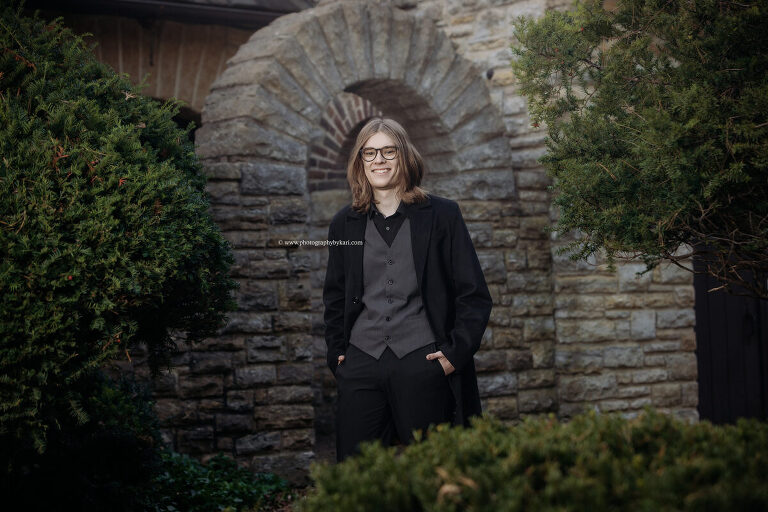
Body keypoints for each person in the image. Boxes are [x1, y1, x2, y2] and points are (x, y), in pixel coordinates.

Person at [323, 117, 492, 462]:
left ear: (405, 157)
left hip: (424, 362)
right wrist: (338, 354)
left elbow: (472, 294)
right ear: (360, 163)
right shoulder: (344, 222)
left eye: (388, 151)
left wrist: (452, 356)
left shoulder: (442, 215)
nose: (379, 161)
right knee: (357, 476)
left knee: (435, 474)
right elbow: (336, 295)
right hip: (361, 364)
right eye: (369, 154)